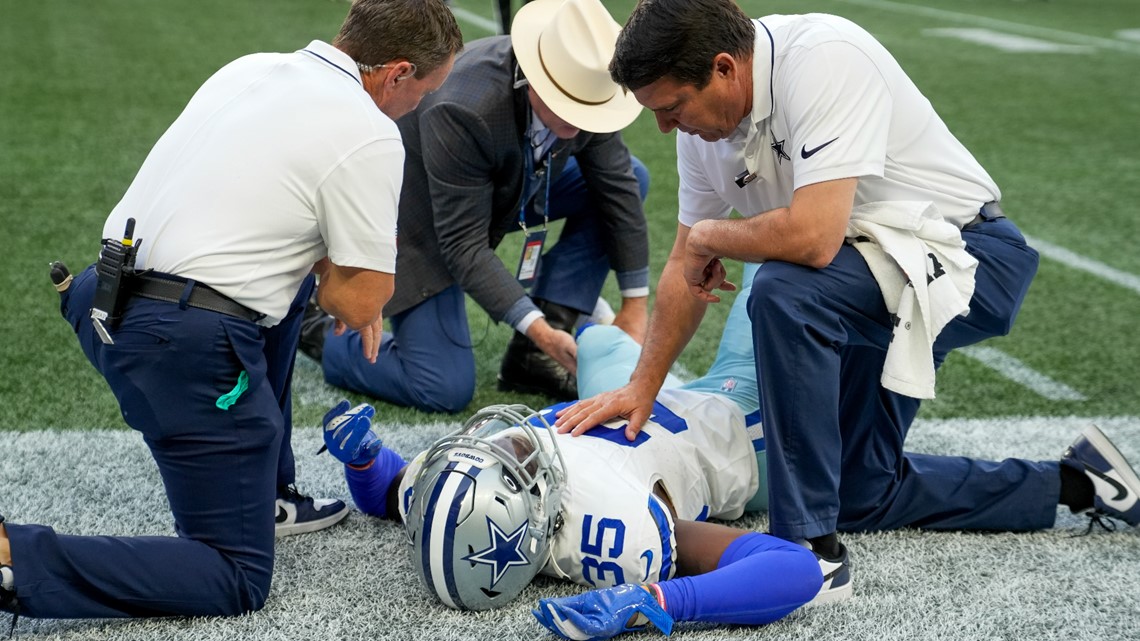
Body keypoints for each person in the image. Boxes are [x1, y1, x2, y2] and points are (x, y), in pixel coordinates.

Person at [553, 0, 1140, 595]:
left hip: (973, 261)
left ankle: (808, 550)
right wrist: (642, 387)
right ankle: (1080, 483)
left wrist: (713, 235)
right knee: (860, 490)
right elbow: (685, 264)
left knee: (783, 291)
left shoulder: (824, 58)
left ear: (726, 68)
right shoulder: (704, 128)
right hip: (871, 280)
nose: (665, 127)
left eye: (672, 107)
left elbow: (811, 238)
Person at [0, 0, 462, 626]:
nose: (421, 107)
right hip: (180, 343)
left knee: (291, 280)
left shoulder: (252, 67)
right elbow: (355, 304)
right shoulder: (371, 131)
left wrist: (322, 260)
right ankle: (13, 557)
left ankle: (266, 492)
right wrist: (348, 273)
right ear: (398, 73)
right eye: (427, 91)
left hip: (99, 298)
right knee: (235, 573)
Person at [316, 265, 835, 638]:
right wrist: (660, 601)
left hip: (635, 396)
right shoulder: (610, 531)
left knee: (598, 344)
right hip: (739, 422)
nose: (507, 445)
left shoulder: (454, 499)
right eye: (517, 471)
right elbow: (795, 567)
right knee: (779, 271)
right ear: (529, 517)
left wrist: (362, 458)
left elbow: (387, 490)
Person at [302, 0, 652, 412]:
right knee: (441, 386)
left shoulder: (589, 86)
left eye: (588, 107)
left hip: (504, 189)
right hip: (421, 218)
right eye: (567, 104)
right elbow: (462, 243)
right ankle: (317, 328)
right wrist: (535, 326)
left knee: (633, 175)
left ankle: (533, 358)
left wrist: (635, 306)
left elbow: (619, 189)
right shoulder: (463, 105)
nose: (579, 122)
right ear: (534, 79)